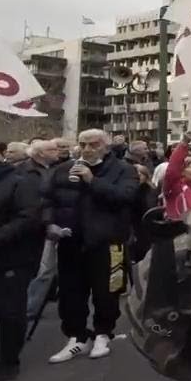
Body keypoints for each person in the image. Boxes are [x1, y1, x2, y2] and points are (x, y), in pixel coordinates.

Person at [41, 129, 138, 363]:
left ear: (105, 147)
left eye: (93, 145)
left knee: (107, 291)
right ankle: (76, 337)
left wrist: (92, 181)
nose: (86, 149)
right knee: (70, 291)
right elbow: (46, 198)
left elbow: (125, 197)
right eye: (83, 144)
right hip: (71, 240)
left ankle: (103, 333)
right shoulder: (64, 170)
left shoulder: (123, 169)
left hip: (108, 241)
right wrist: (49, 224)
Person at [0, 142, 43, 381]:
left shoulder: (19, 181)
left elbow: (28, 217)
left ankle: (8, 361)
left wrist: (0, 236)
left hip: (11, 259)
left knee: (10, 312)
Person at [18, 140, 61, 321]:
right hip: (40, 226)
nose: (57, 151)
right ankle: (28, 309)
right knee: (43, 270)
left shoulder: (53, 169)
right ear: (40, 153)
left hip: (48, 224)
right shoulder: (27, 172)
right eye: (53, 149)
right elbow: (39, 201)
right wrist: (47, 222)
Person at [164, 132, 191, 221]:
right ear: (182, 171)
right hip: (178, 229)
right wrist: (184, 143)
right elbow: (172, 169)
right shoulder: (176, 186)